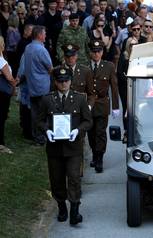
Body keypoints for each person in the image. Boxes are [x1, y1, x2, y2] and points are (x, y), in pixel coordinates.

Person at [37, 66, 92, 226]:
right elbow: (39, 120)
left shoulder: (80, 98)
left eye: (66, 80)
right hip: (55, 148)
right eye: (60, 81)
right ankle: (62, 207)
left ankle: (75, 210)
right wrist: (47, 131)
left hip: (73, 147)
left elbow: (88, 121)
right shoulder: (47, 99)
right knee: (57, 179)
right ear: (55, 82)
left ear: (70, 81)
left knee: (74, 178)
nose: (63, 84)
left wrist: (78, 130)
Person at [87, 40, 119, 173]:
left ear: (102, 52)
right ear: (90, 53)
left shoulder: (109, 66)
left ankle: (99, 158)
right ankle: (94, 154)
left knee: (100, 132)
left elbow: (114, 87)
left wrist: (116, 107)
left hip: (102, 104)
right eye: (94, 52)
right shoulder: (84, 66)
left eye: (99, 51)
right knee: (91, 132)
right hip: (88, 105)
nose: (96, 54)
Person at [23, 25, 53, 145]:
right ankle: (43, 137)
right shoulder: (41, 50)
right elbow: (50, 68)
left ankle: (37, 137)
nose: (45, 35)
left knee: (35, 113)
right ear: (40, 35)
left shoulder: (28, 47)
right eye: (44, 33)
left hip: (32, 86)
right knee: (43, 114)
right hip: (42, 87)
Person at [0, 36, 17, 154]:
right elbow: (9, 78)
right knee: (1, 118)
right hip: (2, 93)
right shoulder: (1, 61)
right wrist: (15, 86)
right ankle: (1, 145)